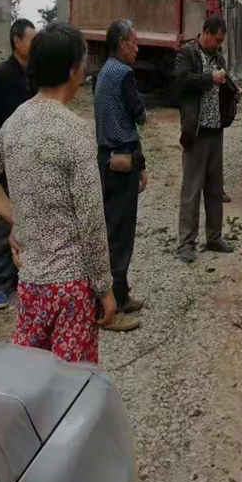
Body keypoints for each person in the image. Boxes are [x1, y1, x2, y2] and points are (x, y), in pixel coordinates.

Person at [0, 22, 116, 363]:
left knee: (30, 384)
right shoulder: (75, 131)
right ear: (72, 70)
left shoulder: (18, 119)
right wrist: (105, 288)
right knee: (68, 392)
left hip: (31, 285)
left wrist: (14, 215)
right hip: (71, 291)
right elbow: (91, 220)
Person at [0, 17, 36, 309]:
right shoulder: (0, 75)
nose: (34, 45)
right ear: (17, 41)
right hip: (7, 160)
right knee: (7, 218)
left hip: (33, 157)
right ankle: (0, 283)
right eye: (31, 40)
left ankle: (23, 275)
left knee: (32, 216)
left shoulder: (34, 76)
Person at [94, 19, 148, 332]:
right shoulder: (124, 73)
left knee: (116, 229)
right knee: (119, 234)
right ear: (122, 43)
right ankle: (110, 305)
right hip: (120, 160)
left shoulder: (103, 72)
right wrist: (146, 115)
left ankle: (122, 294)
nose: (137, 47)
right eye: (134, 41)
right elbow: (138, 114)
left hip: (110, 159)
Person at [176, 14, 237, 262]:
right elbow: (181, 81)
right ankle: (186, 244)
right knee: (192, 188)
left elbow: (222, 84)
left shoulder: (218, 57)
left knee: (214, 187)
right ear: (206, 33)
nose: (219, 45)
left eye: (222, 41)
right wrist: (209, 79)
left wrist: (232, 90)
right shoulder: (187, 54)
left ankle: (214, 237)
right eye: (217, 40)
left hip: (216, 131)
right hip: (196, 131)